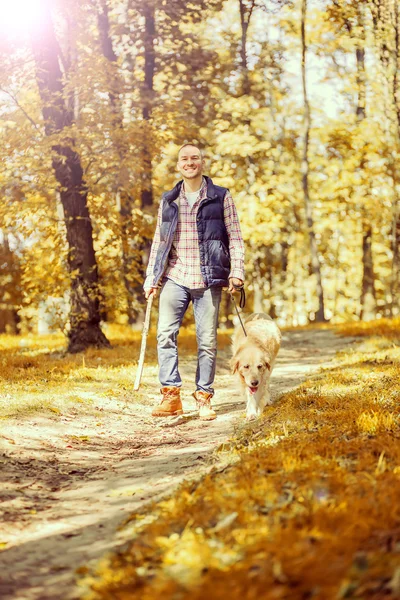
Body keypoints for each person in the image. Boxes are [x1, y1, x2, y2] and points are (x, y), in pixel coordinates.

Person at [144, 143, 245, 420]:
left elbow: (235, 237)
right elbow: (159, 241)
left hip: (207, 277)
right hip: (175, 276)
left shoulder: (220, 196)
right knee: (165, 334)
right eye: (184, 159)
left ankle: (204, 397)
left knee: (207, 341)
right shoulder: (169, 200)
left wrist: (237, 271)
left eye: (195, 158)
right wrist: (151, 278)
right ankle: (171, 395)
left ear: (202, 162)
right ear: (179, 165)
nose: (190, 163)